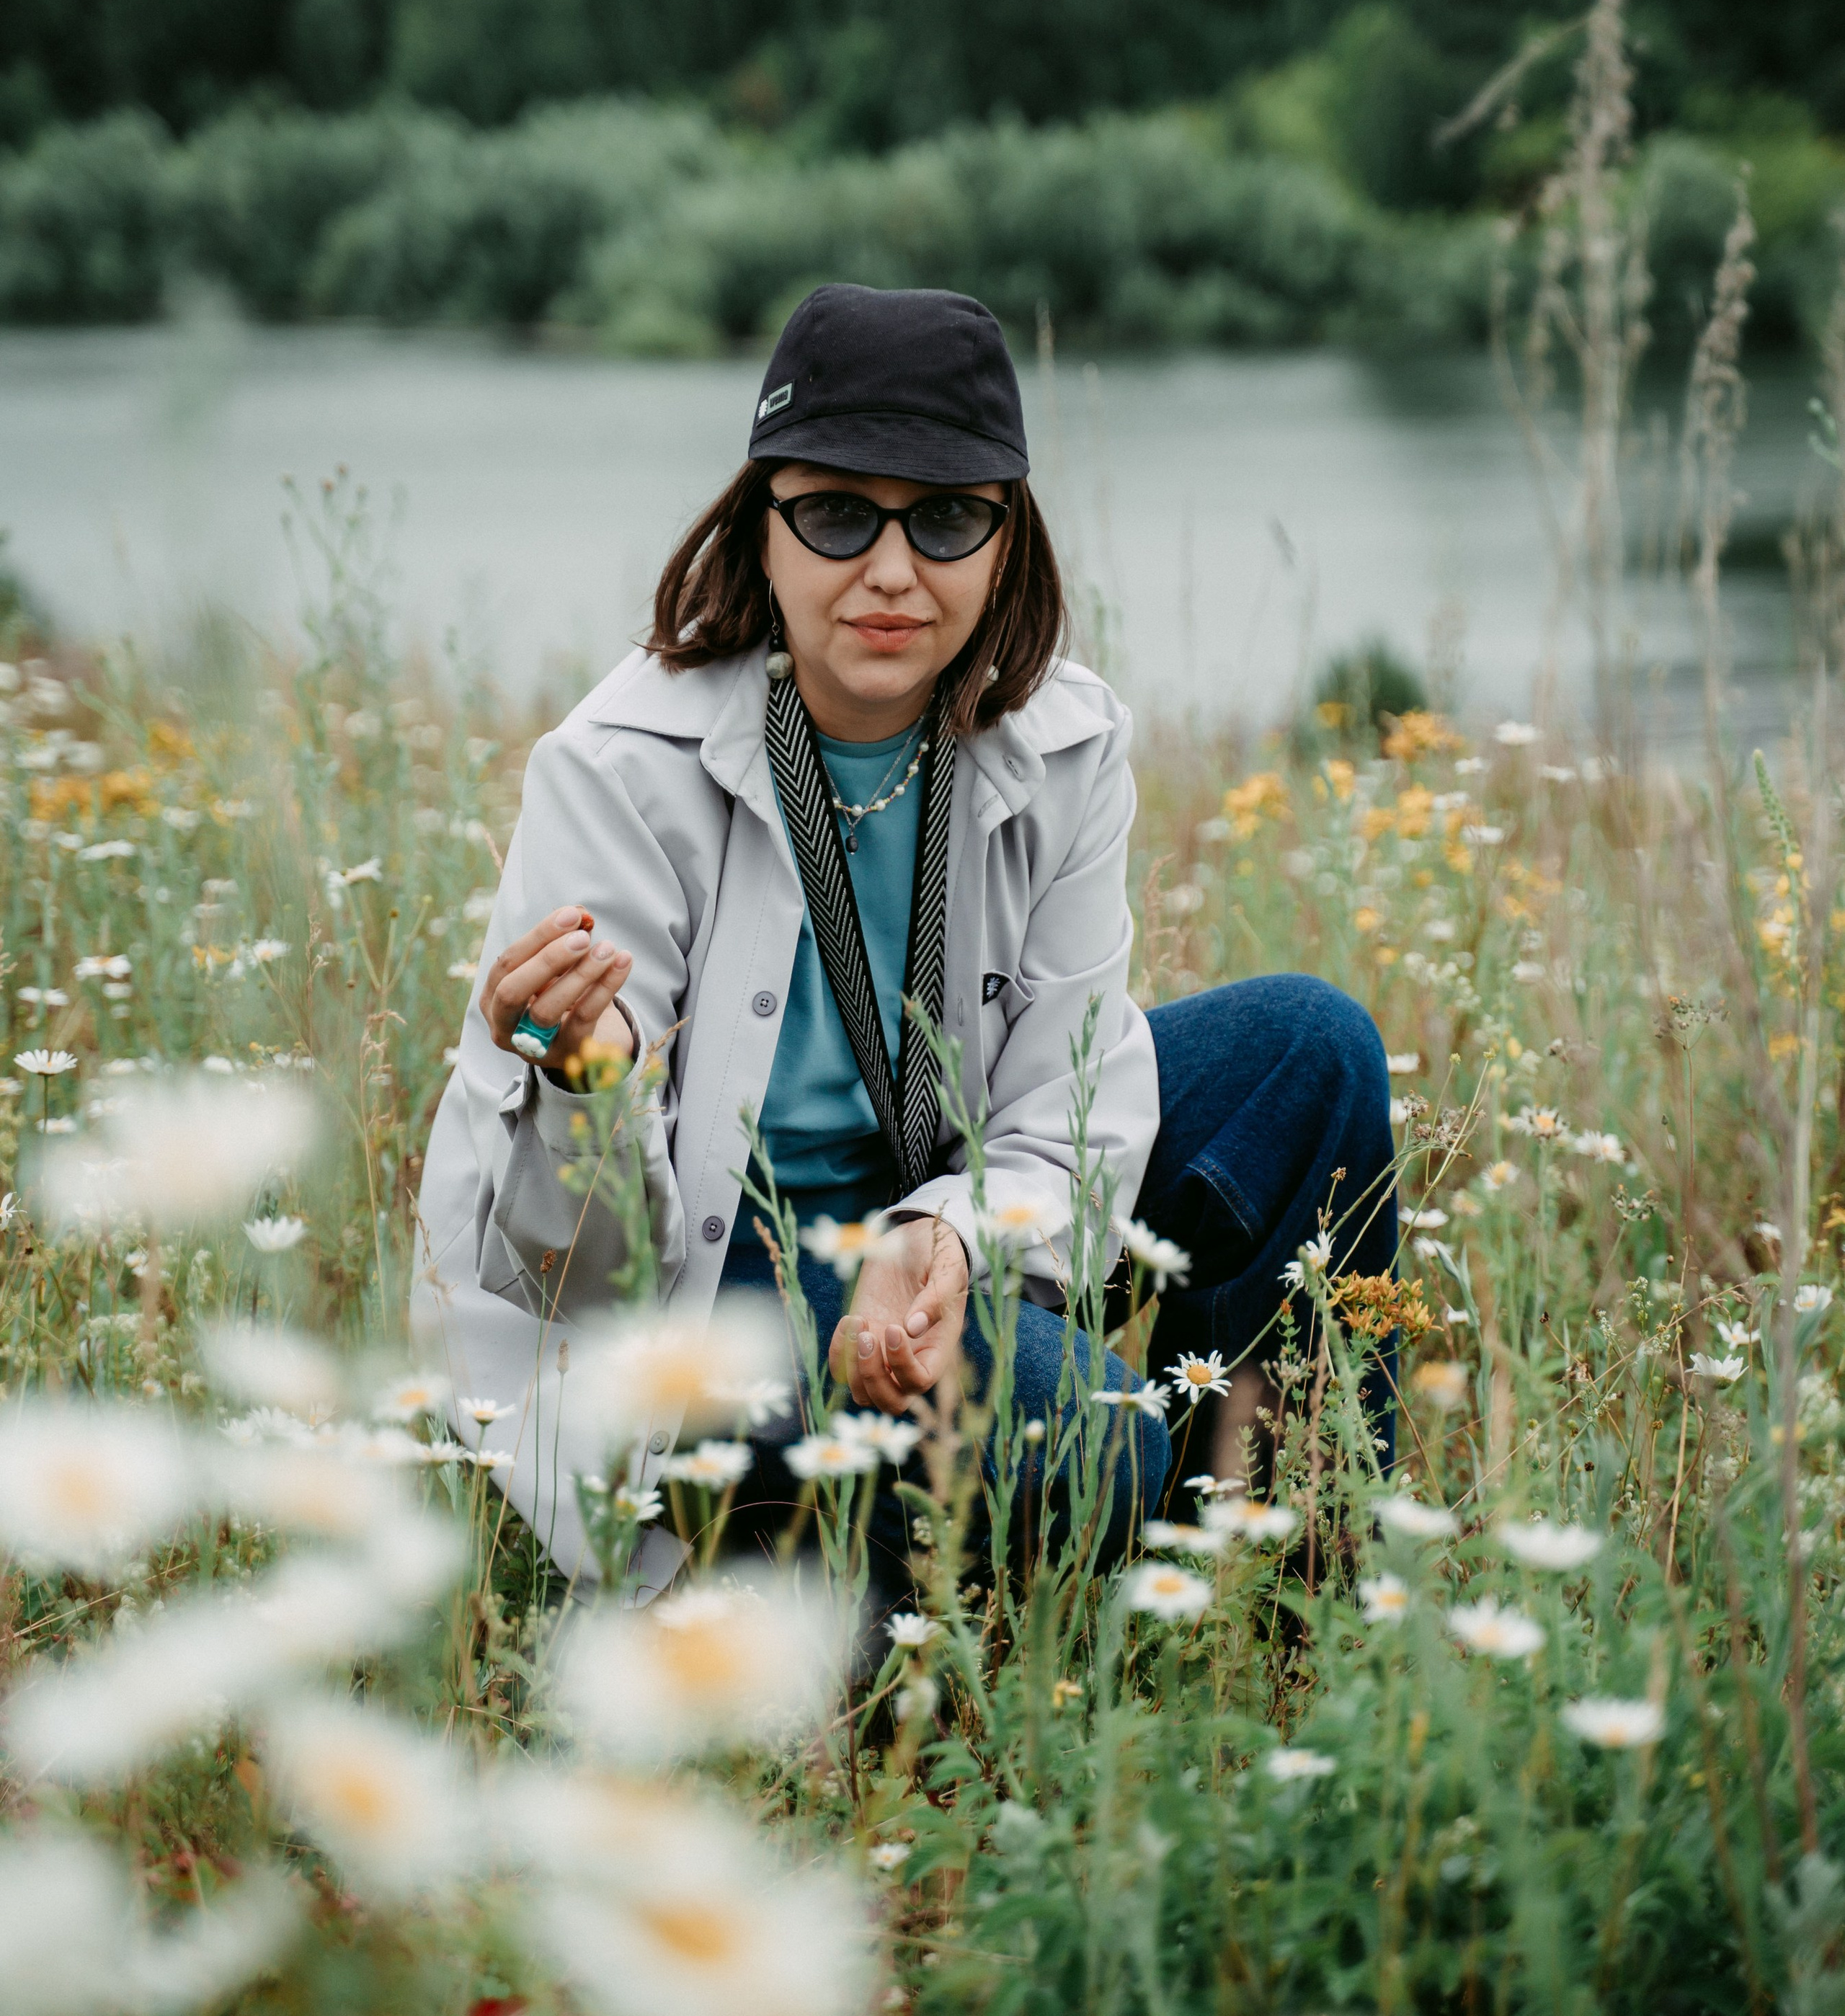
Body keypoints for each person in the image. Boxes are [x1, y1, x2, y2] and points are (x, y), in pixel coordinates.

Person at [411, 284, 1395, 1595]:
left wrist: (949, 1234)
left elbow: (1074, 1100)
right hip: (708, 1277)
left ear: (1006, 540)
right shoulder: (618, 770)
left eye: (944, 519)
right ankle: (858, 1554)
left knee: (1307, 1052)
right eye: (833, 514)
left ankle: (1280, 1583)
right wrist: (576, 1082)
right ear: (761, 527)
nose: (890, 570)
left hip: (935, 1214)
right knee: (1089, 1436)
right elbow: (575, 1268)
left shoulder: (1067, 741)